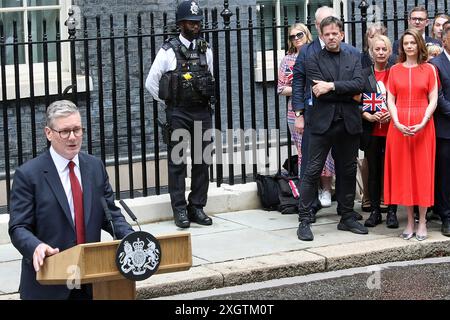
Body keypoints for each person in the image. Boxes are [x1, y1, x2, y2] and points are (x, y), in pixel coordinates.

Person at [8, 100, 134, 300]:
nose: (73, 137)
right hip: (49, 282)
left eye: (77, 129)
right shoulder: (28, 175)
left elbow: (110, 214)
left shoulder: (94, 167)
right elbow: (18, 227)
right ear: (49, 133)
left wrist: (131, 238)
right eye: (65, 131)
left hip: (92, 280)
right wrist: (36, 246)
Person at [145, 0, 215, 229]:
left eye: (197, 22)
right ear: (180, 23)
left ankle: (197, 207)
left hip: (202, 112)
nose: (195, 26)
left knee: (202, 161)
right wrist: (169, 102)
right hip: (179, 113)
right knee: (177, 163)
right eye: (191, 22)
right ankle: (179, 209)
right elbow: (151, 83)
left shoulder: (206, 50)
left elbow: (209, 77)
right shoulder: (167, 51)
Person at [296, 16, 366, 241]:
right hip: (321, 123)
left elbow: (359, 85)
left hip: (348, 123)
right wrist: (344, 91)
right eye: (327, 34)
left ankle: (347, 216)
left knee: (347, 170)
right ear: (322, 36)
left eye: (335, 33)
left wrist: (332, 86)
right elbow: (318, 89)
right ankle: (304, 219)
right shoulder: (312, 57)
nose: (332, 37)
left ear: (342, 35)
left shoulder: (355, 55)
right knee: (312, 170)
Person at [384, 28, 438, 241]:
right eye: (406, 43)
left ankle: (423, 221)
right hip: (399, 126)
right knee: (404, 173)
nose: (409, 46)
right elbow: (390, 99)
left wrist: (424, 121)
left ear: (419, 45)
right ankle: (409, 220)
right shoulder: (394, 69)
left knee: (422, 172)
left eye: (413, 43)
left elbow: (433, 98)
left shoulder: (429, 69)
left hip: (423, 124)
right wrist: (396, 121)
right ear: (402, 46)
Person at [278, 24, 335, 205]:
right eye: (292, 37)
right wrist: (301, 88)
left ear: (307, 34)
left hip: (319, 107)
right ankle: (309, 191)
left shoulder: (317, 53)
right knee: (304, 152)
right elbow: (280, 88)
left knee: (325, 150)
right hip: (295, 111)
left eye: (299, 35)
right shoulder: (287, 60)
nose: (296, 39)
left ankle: (326, 188)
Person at [360, 35, 399, 229]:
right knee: (374, 173)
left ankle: (392, 211)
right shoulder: (364, 73)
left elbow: (402, 100)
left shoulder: (396, 73)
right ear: (371, 52)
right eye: (377, 49)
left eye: (384, 49)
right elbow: (355, 101)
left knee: (391, 172)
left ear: (390, 51)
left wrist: (393, 115)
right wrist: (365, 115)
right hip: (372, 132)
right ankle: (375, 211)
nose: (381, 52)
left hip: (393, 131)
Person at [429, 21, 450, 237]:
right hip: (445, 129)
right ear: (443, 39)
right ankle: (446, 216)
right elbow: (439, 97)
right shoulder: (436, 65)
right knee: (445, 175)